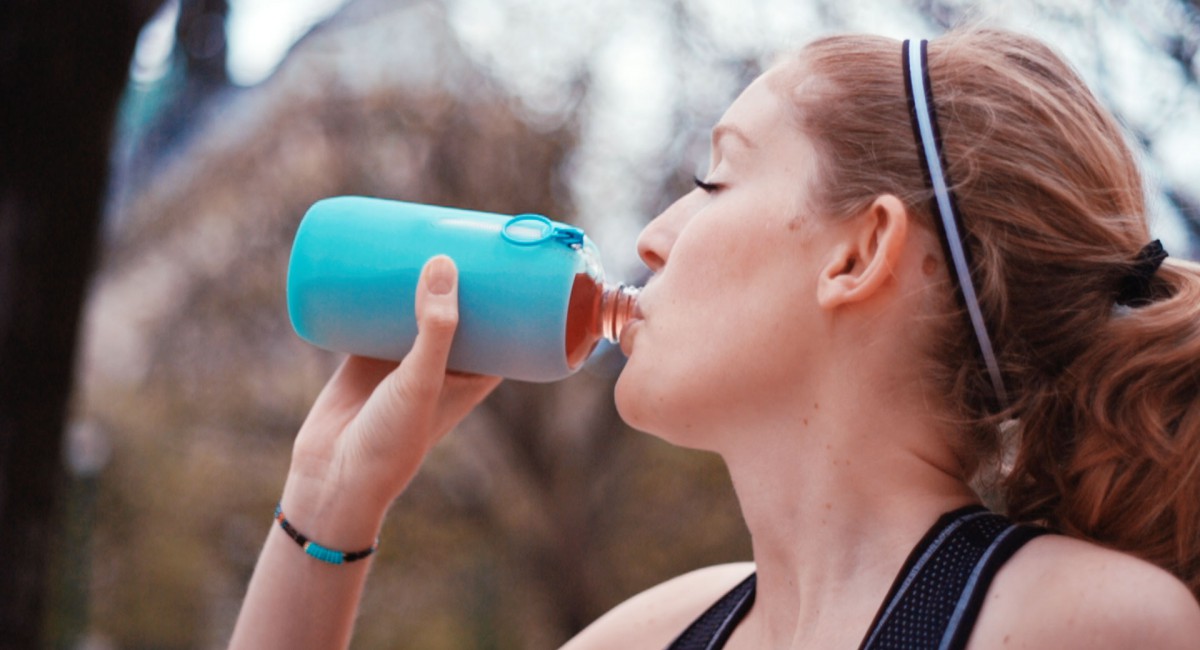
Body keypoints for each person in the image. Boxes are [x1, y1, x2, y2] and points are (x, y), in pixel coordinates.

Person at [231, 28, 1200, 648]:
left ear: (859, 252)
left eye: (714, 180)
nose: (653, 235)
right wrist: (329, 498)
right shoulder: (652, 633)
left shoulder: (1081, 624)